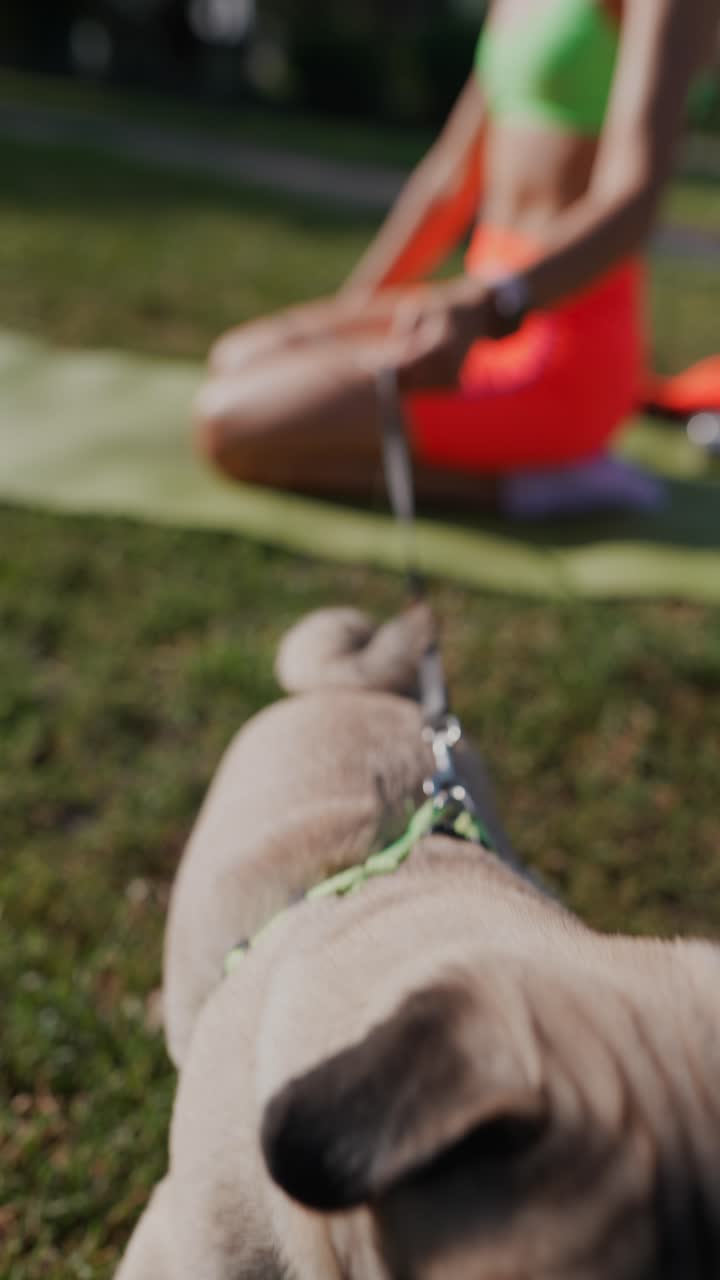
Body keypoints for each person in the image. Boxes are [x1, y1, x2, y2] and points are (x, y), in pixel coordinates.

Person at [194, 0, 719, 515]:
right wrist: (353, 317)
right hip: (470, 316)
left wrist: (493, 301)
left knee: (230, 428)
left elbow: (633, 205)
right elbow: (451, 179)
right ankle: (522, 469)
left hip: (559, 336)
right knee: (238, 357)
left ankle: (545, 484)